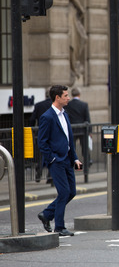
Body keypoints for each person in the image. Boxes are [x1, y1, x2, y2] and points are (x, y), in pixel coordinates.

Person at [37, 85, 82, 236]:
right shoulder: (47, 117)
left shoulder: (65, 115)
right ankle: (60, 227)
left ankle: (47, 214)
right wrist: (52, 159)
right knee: (64, 192)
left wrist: (75, 158)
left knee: (72, 192)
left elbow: (69, 139)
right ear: (57, 98)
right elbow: (42, 142)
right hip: (56, 161)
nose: (68, 98)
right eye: (65, 96)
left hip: (68, 160)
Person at [29, 87, 52, 183]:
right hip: (53, 134)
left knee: (40, 154)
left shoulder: (39, 105)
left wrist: (33, 130)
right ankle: (50, 178)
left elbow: (32, 119)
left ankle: (39, 173)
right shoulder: (56, 105)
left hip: (41, 132)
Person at [65, 87, 91, 166]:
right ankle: (87, 163)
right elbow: (87, 118)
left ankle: (72, 164)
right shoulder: (84, 104)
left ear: (72, 95)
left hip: (72, 129)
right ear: (79, 94)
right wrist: (90, 131)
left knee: (72, 148)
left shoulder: (68, 105)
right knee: (85, 148)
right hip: (83, 129)